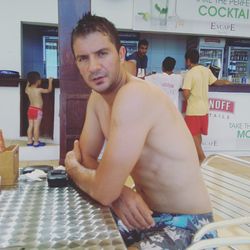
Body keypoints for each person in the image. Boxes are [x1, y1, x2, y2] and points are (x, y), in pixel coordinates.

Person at [65, 13, 216, 250]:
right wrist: (119, 193)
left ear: (121, 54)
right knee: (75, 237)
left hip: (188, 225)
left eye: (102, 53)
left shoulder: (135, 95)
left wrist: (75, 171)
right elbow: (88, 157)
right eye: (83, 58)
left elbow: (91, 176)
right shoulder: (97, 98)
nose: (93, 67)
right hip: (143, 214)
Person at [182, 48, 230, 164]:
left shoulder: (190, 73)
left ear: (188, 60)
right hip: (204, 110)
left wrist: (189, 99)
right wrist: (227, 82)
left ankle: (202, 159)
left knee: (193, 136)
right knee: (197, 136)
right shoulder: (206, 70)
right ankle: (198, 159)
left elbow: (186, 93)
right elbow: (216, 82)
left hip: (193, 110)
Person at [25, 71, 53, 147]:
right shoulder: (39, 90)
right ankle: (36, 142)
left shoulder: (28, 89)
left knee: (30, 126)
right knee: (36, 126)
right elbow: (49, 90)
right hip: (37, 111)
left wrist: (28, 81)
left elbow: (26, 88)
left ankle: (29, 141)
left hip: (30, 109)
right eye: (40, 79)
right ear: (37, 81)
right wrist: (50, 81)